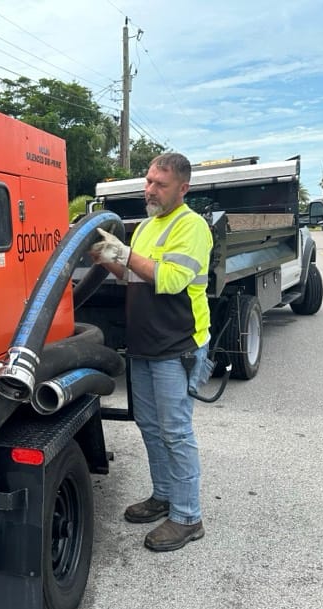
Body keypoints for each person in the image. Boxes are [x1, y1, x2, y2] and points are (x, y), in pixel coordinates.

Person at [90, 152, 212, 551]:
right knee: (150, 425)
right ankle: (164, 495)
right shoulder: (144, 226)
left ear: (183, 188)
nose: (150, 189)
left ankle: (188, 516)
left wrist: (122, 252)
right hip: (145, 343)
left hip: (177, 344)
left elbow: (172, 279)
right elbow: (131, 276)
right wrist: (104, 255)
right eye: (148, 181)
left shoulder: (192, 226)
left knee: (175, 432)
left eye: (160, 184)